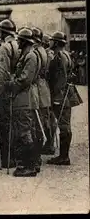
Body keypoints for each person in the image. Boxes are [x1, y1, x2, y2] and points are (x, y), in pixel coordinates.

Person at [4, 28, 40, 177]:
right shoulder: (27, 55)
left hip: (24, 97)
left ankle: (30, 166)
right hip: (23, 96)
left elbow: (25, 79)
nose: (17, 42)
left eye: (19, 40)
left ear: (24, 42)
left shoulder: (30, 56)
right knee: (25, 130)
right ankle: (29, 163)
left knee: (25, 131)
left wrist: (11, 83)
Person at [0, 19, 19, 169]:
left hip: (5, 90)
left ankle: (6, 158)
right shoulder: (17, 45)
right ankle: (10, 156)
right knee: (11, 124)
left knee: (4, 124)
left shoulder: (5, 47)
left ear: (2, 32)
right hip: (14, 88)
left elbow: (2, 73)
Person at [47, 31, 74, 165]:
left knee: (64, 126)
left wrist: (57, 96)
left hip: (61, 96)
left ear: (56, 43)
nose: (50, 42)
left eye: (52, 40)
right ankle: (63, 155)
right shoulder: (66, 55)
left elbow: (61, 78)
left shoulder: (59, 57)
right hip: (65, 95)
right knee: (65, 125)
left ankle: (64, 157)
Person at [31, 28, 53, 163]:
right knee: (42, 122)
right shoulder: (43, 51)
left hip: (38, 88)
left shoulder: (35, 52)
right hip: (43, 87)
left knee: (36, 122)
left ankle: (36, 156)